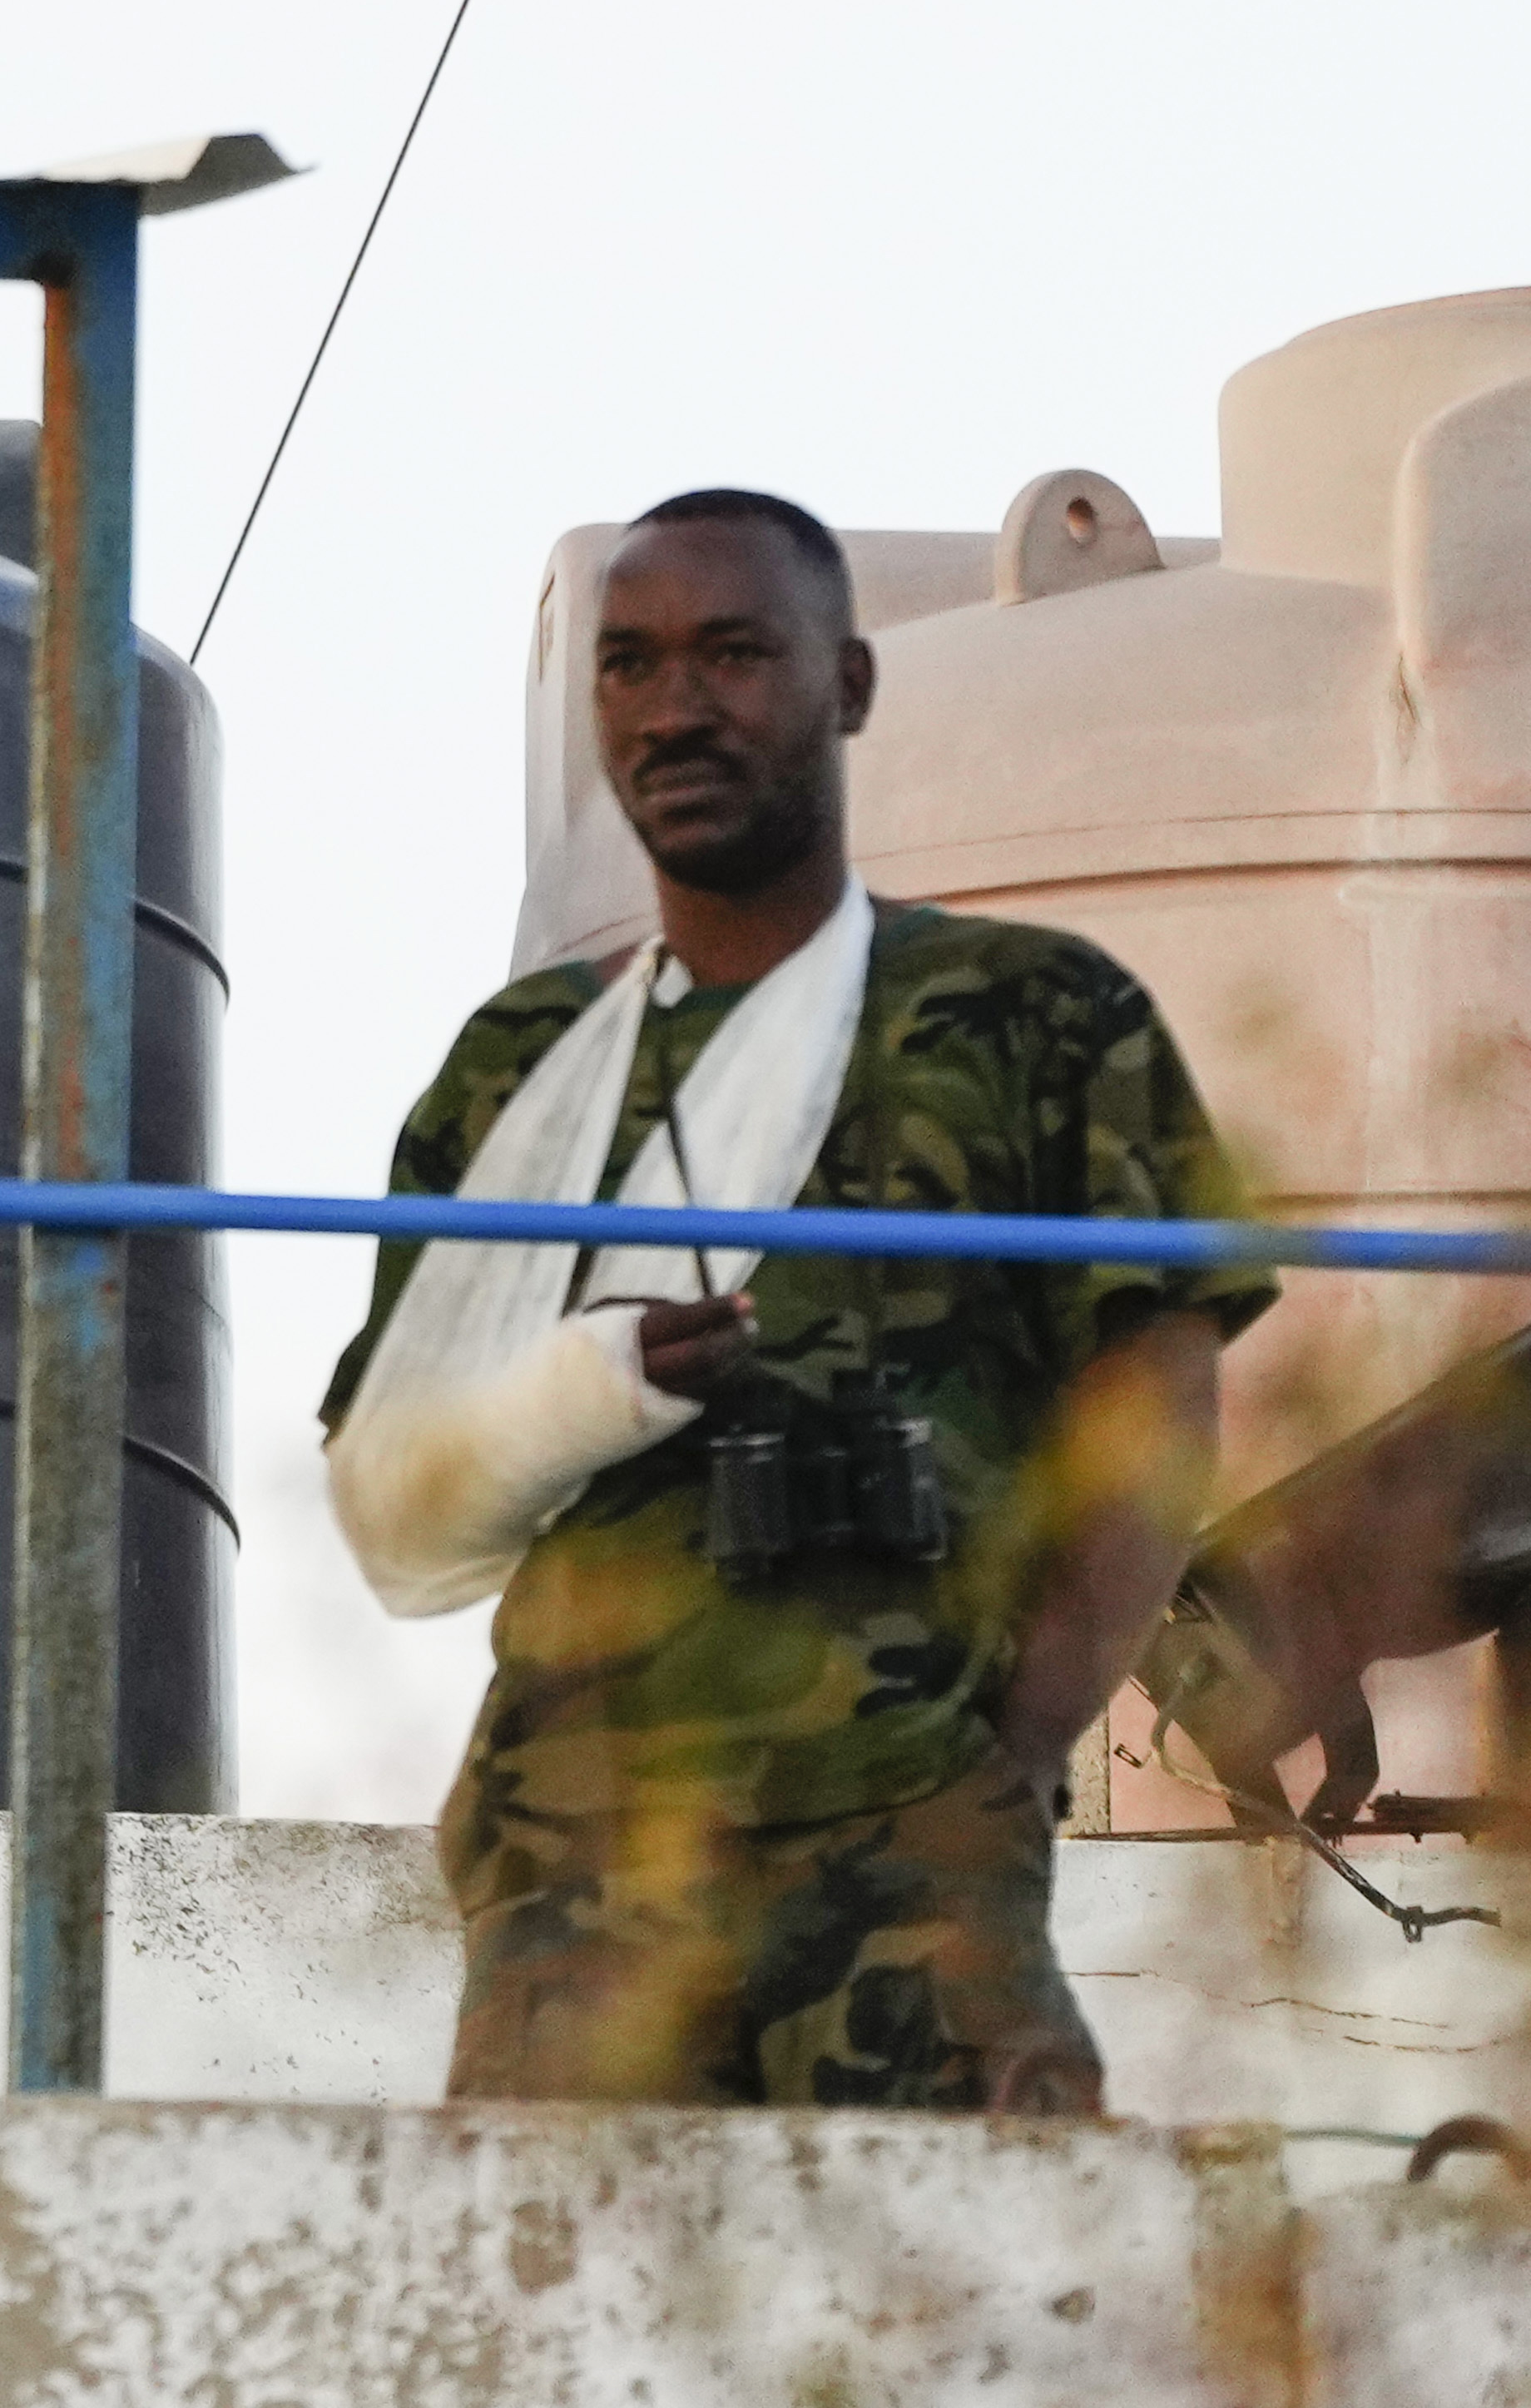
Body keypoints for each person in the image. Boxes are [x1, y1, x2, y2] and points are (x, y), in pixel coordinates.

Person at [321, 486, 1261, 2111]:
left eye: (735, 654)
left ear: (850, 686)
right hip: (579, 1855)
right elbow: (399, 1494)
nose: (676, 706)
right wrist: (590, 1387)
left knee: (972, 2333)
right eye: (627, 664)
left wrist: (1017, 1752)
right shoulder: (517, 1072)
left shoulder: (1037, 1018)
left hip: (913, 1830)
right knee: (554, 2346)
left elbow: (1156, 1409)